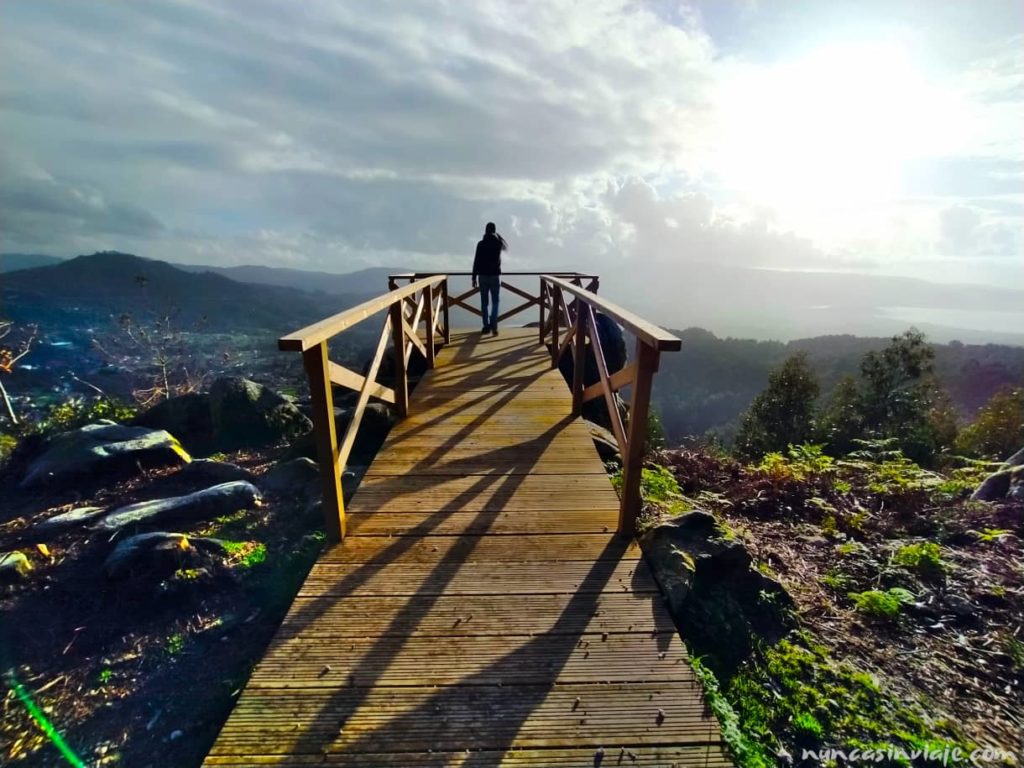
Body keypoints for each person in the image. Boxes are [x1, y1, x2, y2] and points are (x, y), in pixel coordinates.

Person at [471, 222, 507, 335]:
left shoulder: (480, 244)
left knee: (484, 303)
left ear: (485, 230)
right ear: (494, 231)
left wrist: (473, 277)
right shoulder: (498, 243)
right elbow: (506, 246)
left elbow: (476, 261)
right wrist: (498, 235)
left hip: (483, 276)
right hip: (495, 276)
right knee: (495, 302)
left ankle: (486, 326)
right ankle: (494, 326)